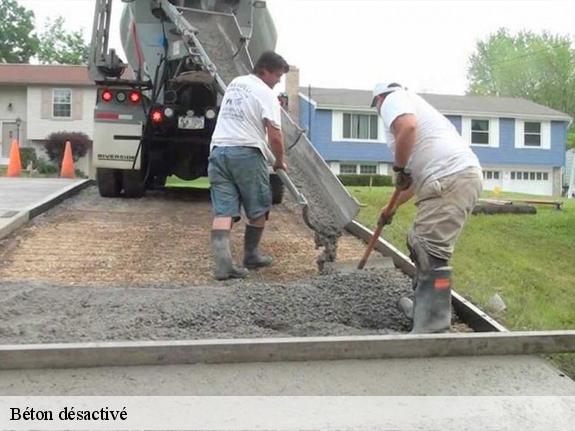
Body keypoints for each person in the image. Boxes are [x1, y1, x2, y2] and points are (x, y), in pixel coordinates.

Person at [371, 82, 483, 333]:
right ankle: (425, 310)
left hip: (450, 177)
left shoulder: (394, 99)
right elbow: (410, 183)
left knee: (429, 250)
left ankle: (432, 325)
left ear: (379, 99)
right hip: (451, 177)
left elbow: (407, 127)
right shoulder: (422, 117)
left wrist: (398, 168)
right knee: (418, 242)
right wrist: (391, 208)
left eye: (376, 106)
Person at [208, 51, 289, 280]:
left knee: (223, 210)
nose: (278, 82)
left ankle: (223, 266)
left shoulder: (236, 83)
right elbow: (275, 136)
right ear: (265, 71)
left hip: (218, 151)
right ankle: (251, 255)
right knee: (259, 207)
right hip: (246, 153)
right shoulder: (266, 93)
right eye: (277, 76)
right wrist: (280, 162)